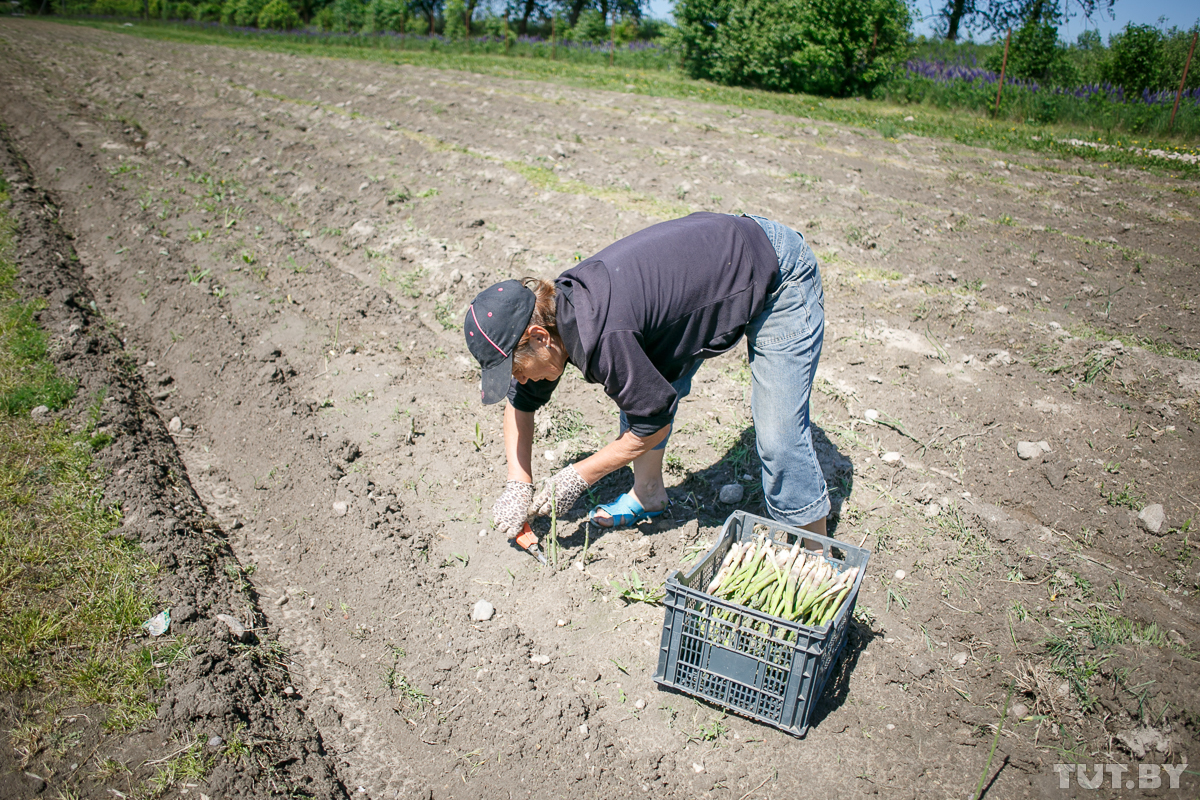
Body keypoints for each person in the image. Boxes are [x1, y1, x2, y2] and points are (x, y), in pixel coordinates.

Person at [463, 212, 828, 541]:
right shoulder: (557, 314)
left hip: (775, 272)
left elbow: (652, 425)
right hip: (712, 269)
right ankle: (648, 493)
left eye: (518, 370)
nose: (522, 381)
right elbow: (520, 402)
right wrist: (518, 482)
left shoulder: (604, 336)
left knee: (780, 439)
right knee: (637, 388)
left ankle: (815, 553)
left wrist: (579, 475)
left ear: (539, 338)